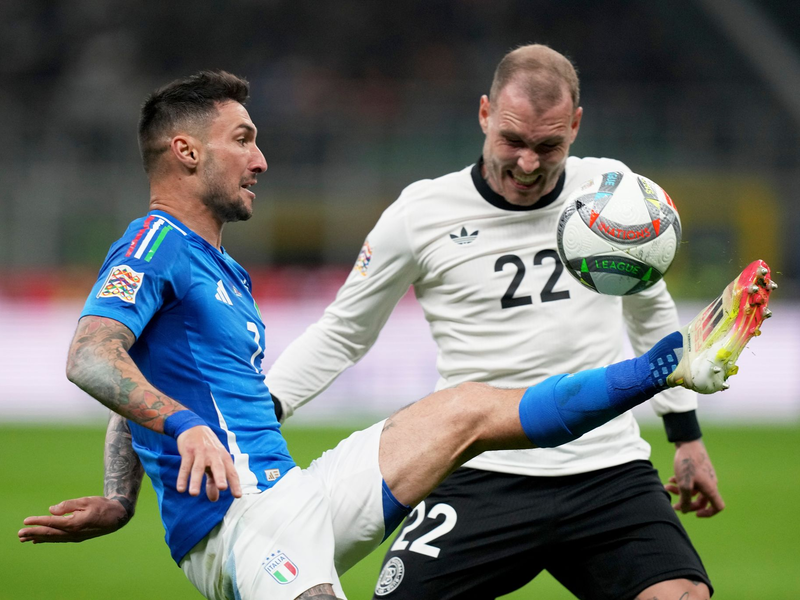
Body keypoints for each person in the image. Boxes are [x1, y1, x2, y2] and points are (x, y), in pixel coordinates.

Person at [18, 70, 774, 600]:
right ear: (186, 152)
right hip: (241, 525)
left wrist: (122, 496)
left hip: (294, 495)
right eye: (243, 140)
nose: (262, 159)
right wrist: (180, 426)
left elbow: (137, 373)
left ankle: (670, 367)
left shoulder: (220, 271)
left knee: (468, 408)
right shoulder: (152, 241)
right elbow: (91, 353)